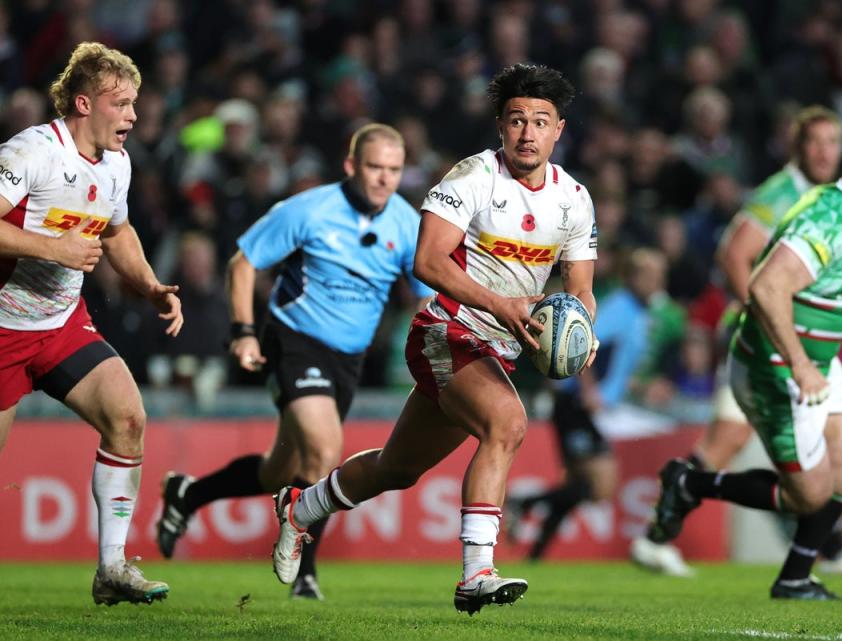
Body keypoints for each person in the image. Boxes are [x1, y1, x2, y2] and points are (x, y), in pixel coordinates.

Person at [269, 63, 598, 615]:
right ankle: (477, 573)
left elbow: (581, 288)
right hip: (446, 331)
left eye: (540, 122)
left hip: (500, 349)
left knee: (397, 470)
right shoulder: (472, 178)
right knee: (508, 423)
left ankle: (300, 508)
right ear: (500, 126)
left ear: (558, 130)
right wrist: (501, 305)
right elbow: (426, 261)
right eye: (516, 120)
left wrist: (584, 333)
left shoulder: (575, 200)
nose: (527, 133)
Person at [647, 131, 842, 600]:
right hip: (775, 366)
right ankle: (690, 483)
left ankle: (795, 577)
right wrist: (800, 365)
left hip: (815, 362)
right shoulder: (830, 217)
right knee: (808, 495)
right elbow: (767, 288)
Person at [155, 123, 431, 599]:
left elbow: (427, 299)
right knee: (325, 451)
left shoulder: (407, 224)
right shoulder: (310, 209)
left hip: (349, 360)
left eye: (393, 170)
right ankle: (305, 574)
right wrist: (242, 333)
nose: (384, 179)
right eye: (374, 167)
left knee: (280, 472)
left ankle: (189, 493)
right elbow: (243, 263)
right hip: (294, 341)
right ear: (350, 166)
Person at [632, 105, 842, 577]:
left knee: (730, 441)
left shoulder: (828, 196)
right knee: (830, 453)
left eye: (833, 142)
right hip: (770, 344)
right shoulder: (781, 193)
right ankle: (827, 552)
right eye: (814, 142)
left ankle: (659, 533)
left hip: (794, 344)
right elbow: (735, 255)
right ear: (797, 147)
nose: (824, 151)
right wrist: (770, 316)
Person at [0, 42, 182, 605]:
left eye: (135, 103)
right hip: (4, 327)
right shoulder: (30, 152)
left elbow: (117, 231)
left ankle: (112, 568)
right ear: (83, 103)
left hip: (59, 323)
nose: (133, 115)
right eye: (121, 103)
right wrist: (53, 249)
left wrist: (148, 284)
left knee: (127, 419)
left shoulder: (117, 163)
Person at [505, 248, 665, 564]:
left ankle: (535, 551)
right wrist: (590, 391)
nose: (656, 282)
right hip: (574, 401)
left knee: (578, 487)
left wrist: (639, 386)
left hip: (584, 402)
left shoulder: (638, 312)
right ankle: (524, 503)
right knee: (600, 487)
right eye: (649, 276)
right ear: (632, 277)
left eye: (659, 276)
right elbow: (580, 341)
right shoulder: (621, 307)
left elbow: (614, 361)